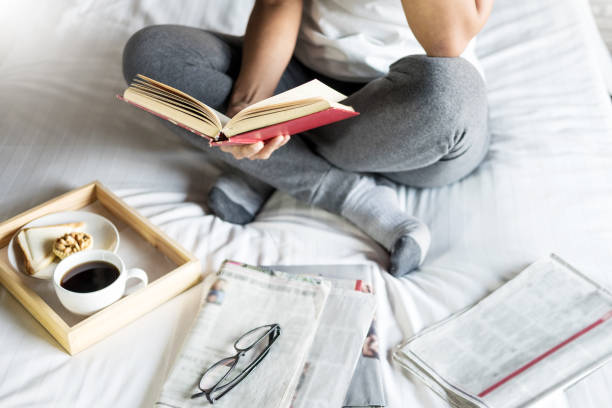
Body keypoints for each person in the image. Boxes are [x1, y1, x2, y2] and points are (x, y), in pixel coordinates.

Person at [122, 0, 493, 276]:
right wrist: (250, 109)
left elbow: (447, 43)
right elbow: (278, 2)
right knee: (152, 56)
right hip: (304, 85)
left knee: (448, 95)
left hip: (411, 123)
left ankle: (290, 169)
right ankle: (340, 189)